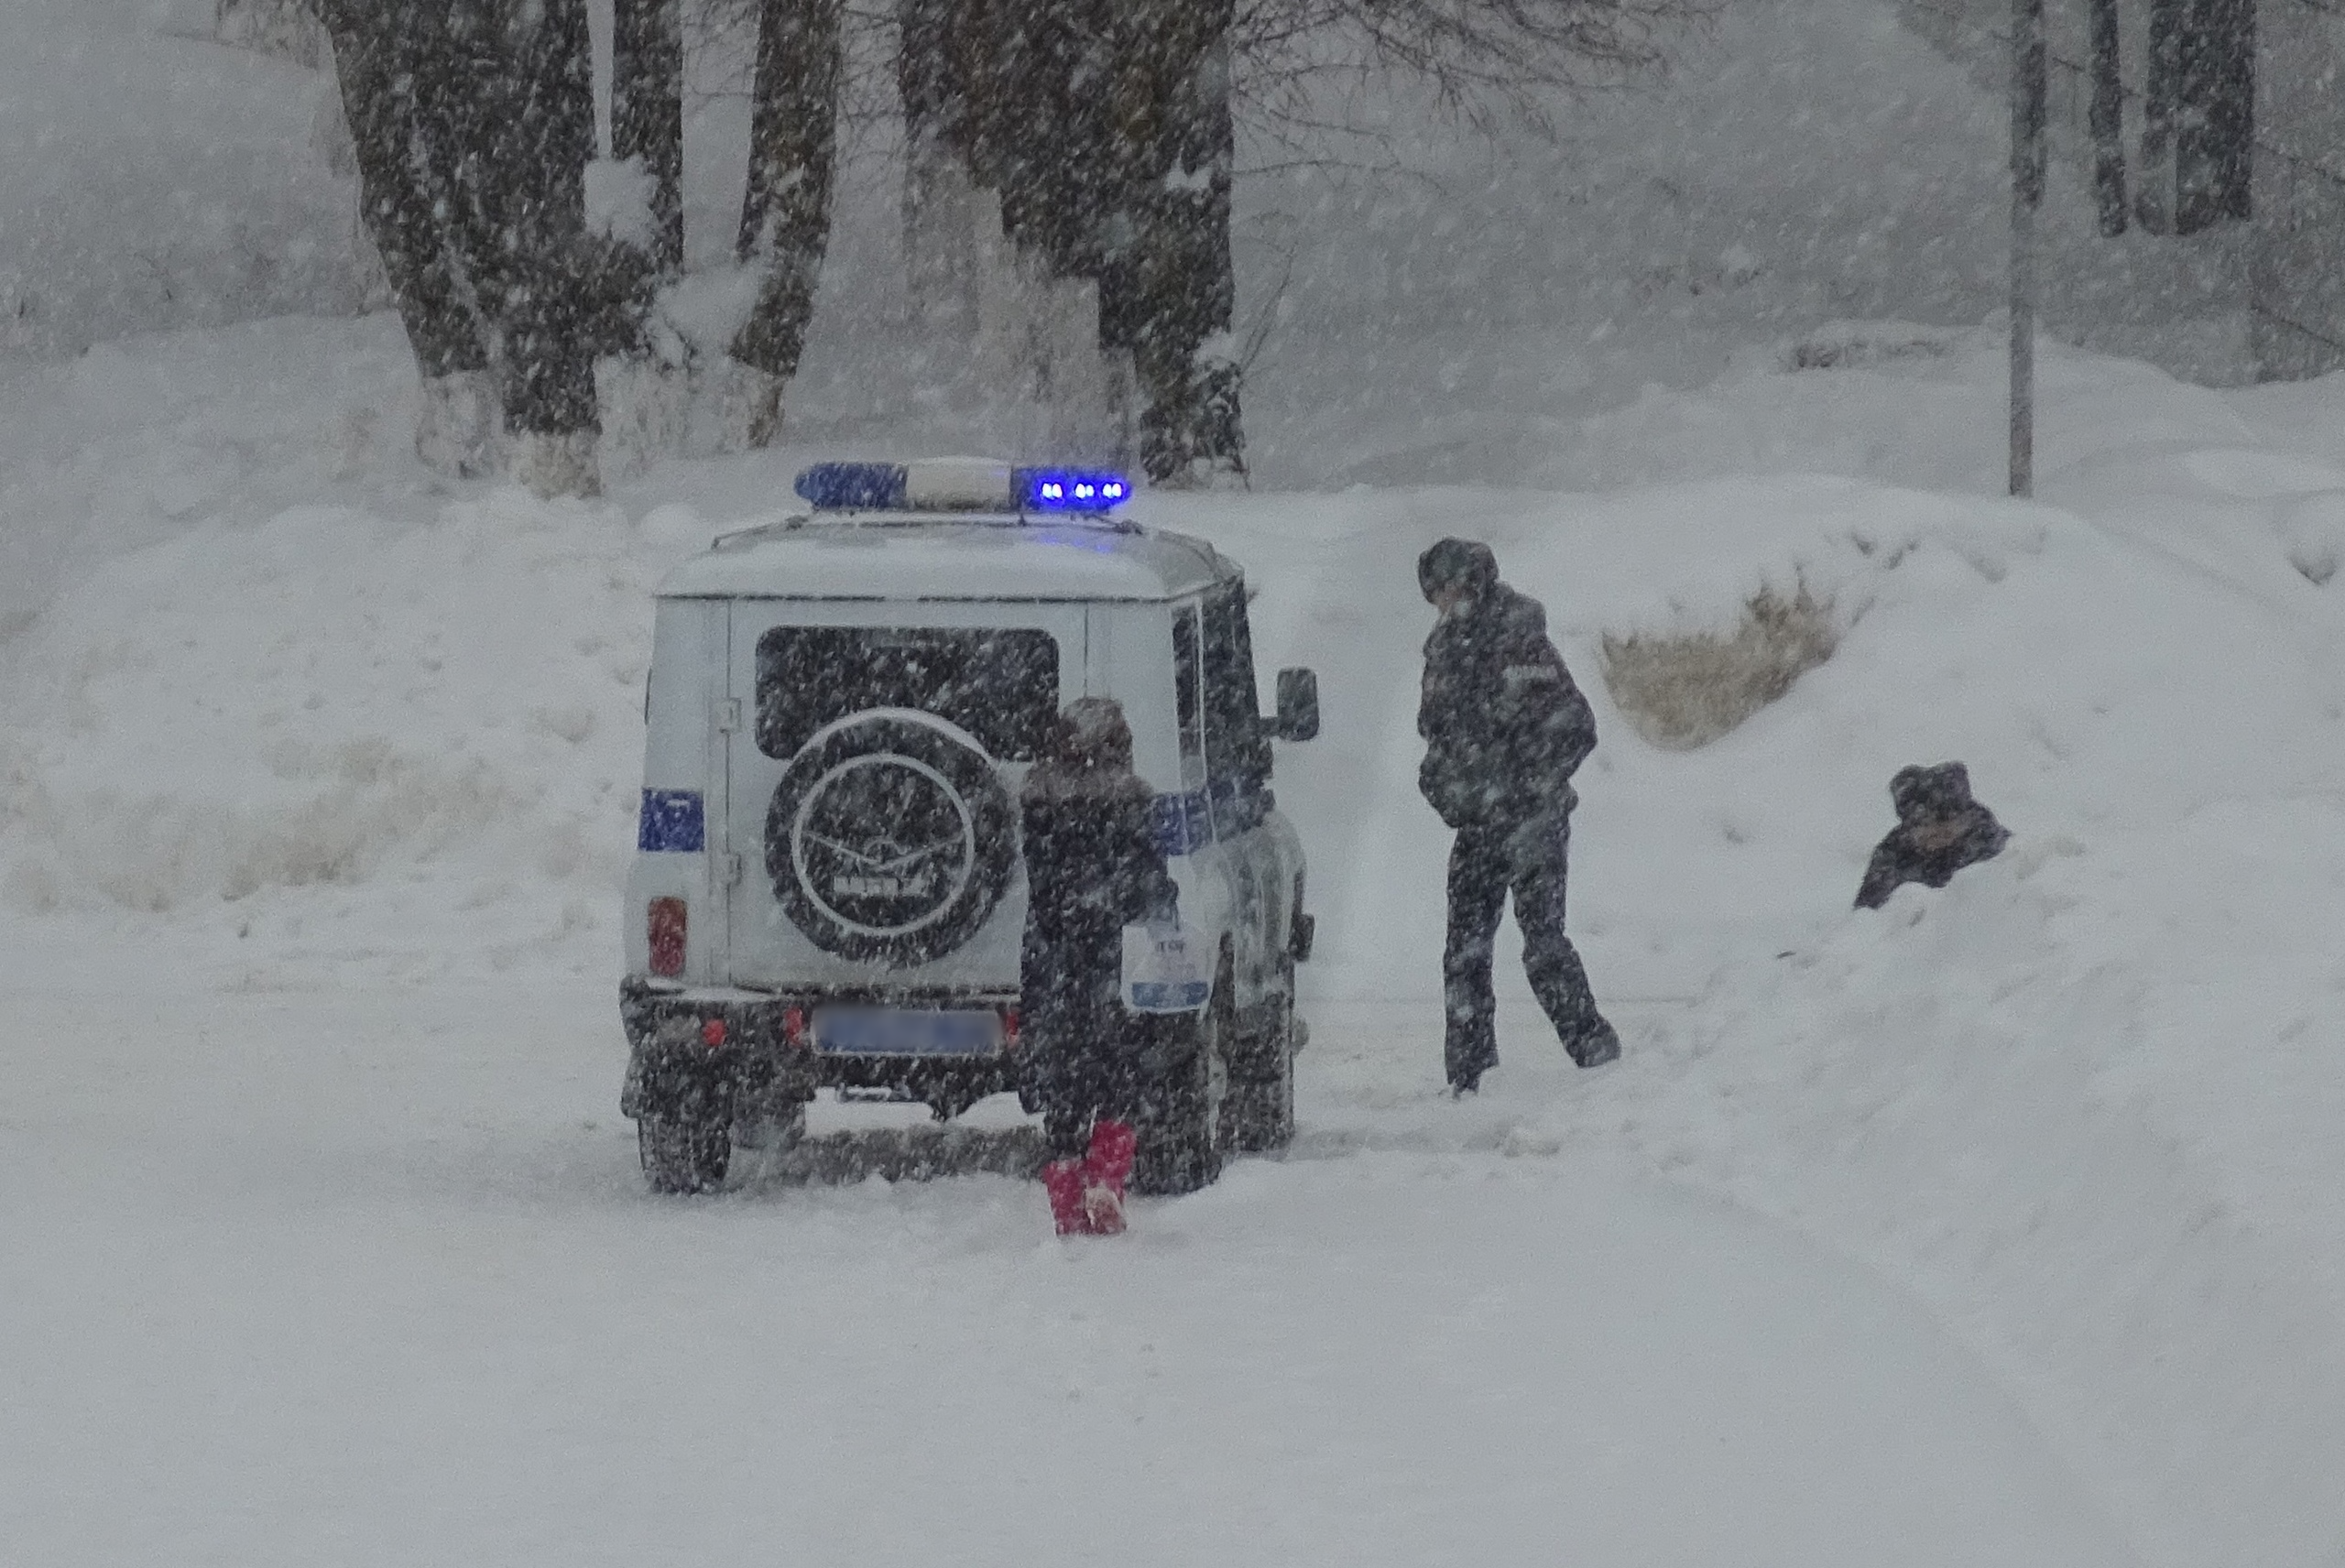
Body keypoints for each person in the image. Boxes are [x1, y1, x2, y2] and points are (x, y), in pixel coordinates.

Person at [1416, 539, 1620, 1094]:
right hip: (1477, 826)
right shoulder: (1442, 652)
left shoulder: (1520, 642)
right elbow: (1437, 735)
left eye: (1451, 590)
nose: (1443, 603)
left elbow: (1575, 725)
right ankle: (1469, 1078)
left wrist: (1529, 784)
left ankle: (1597, 1055)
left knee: (1544, 945)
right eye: (1435, 595)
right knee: (1464, 954)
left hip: (1532, 823)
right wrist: (1441, 783)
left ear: (1475, 585)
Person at [1020, 697, 1179, 1236]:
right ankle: (1107, 1180)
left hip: (1053, 961)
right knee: (1120, 1076)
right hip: (1118, 960)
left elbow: (1042, 892)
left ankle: (1066, 1197)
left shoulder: (1037, 802)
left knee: (1062, 1088)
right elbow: (1151, 883)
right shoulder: (1134, 804)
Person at [1854, 762, 2011, 909]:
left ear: (1968, 817)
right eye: (1923, 823)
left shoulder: (1993, 845)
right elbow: (1866, 921)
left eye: (1947, 820)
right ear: (1907, 828)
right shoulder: (1893, 857)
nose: (1936, 831)